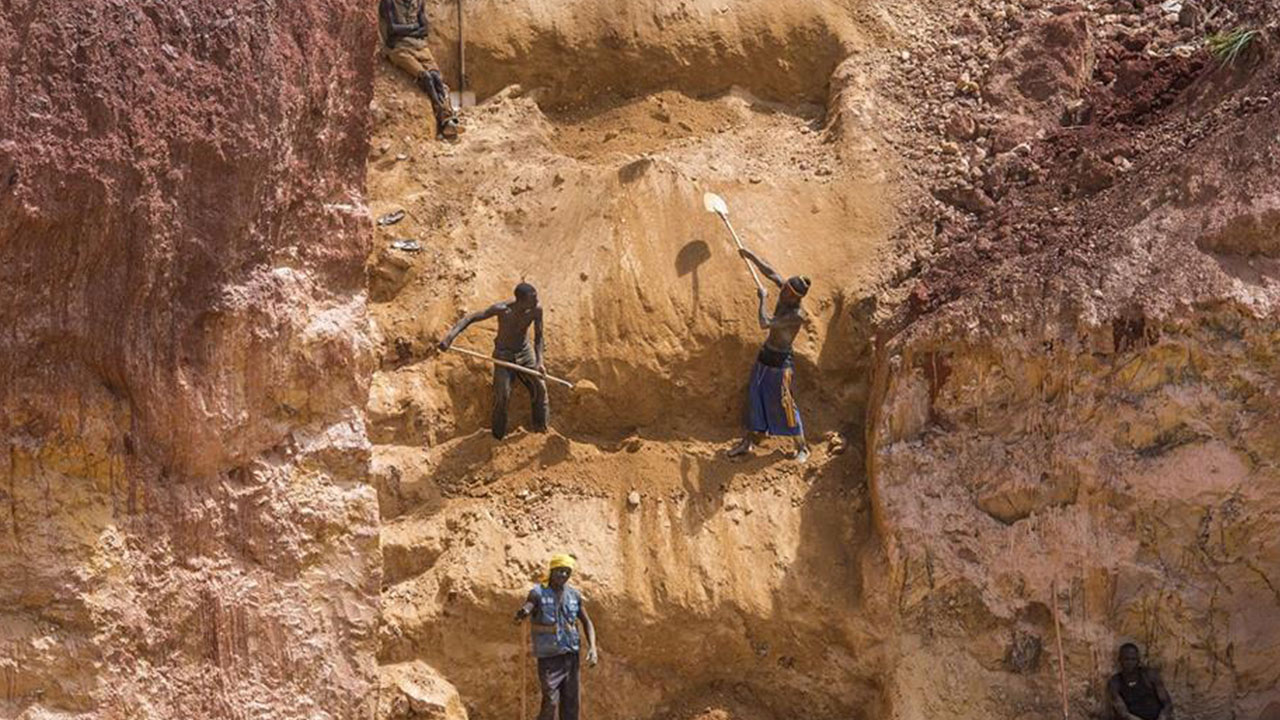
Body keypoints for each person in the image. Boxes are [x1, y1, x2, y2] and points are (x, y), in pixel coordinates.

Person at [727, 247, 811, 462]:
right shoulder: (786, 291)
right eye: (785, 289)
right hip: (766, 355)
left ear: (797, 298)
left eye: (790, 294)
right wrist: (750, 256)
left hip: (781, 363)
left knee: (786, 403)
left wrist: (763, 299)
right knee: (754, 397)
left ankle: (802, 447)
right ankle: (748, 442)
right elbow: (769, 271)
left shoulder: (797, 314)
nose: (784, 293)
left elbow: (765, 323)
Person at [438, 283, 548, 439]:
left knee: (540, 388)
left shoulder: (536, 310)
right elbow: (471, 318)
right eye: (533, 298)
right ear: (521, 300)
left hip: (525, 353)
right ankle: (498, 437)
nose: (537, 300)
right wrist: (449, 338)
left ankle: (541, 429)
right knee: (502, 395)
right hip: (504, 355)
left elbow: (539, 337)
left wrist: (539, 362)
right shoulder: (503, 309)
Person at [514, 554, 599, 720]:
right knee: (551, 701)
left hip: (570, 655)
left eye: (567, 572)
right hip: (549, 656)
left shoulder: (574, 595)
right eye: (560, 571)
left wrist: (593, 648)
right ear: (552, 571)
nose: (564, 575)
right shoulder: (538, 593)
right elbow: (528, 606)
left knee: (571, 703)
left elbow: (587, 622)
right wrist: (523, 613)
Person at [378, 0, 461, 140]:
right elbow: (393, 29)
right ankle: (442, 116)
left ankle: (448, 118)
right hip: (399, 49)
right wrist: (414, 28)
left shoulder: (418, 2)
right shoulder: (389, 2)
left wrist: (406, 29)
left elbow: (425, 29)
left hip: (420, 46)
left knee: (436, 77)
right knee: (426, 77)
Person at [1109, 643, 1174, 720]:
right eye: (1126, 659)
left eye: (1133, 659)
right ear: (1120, 660)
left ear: (1138, 660)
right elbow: (1123, 712)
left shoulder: (1149, 675)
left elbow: (1167, 704)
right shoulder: (1116, 681)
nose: (1130, 663)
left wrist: (1162, 717)